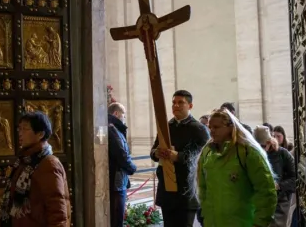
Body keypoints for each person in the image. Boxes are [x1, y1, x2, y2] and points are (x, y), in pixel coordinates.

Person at [197, 108, 277, 227]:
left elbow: (266, 191)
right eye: (210, 127)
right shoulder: (207, 153)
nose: (212, 131)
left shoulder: (248, 153)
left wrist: (260, 223)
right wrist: (205, 215)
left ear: (230, 127)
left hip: (243, 222)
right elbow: (202, 189)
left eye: (216, 127)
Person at [0, 111, 71, 227]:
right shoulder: (24, 161)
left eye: (25, 129)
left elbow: (57, 212)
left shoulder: (48, 164)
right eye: (19, 129)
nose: (20, 133)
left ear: (40, 134)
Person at [150, 90, 210, 227]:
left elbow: (204, 156)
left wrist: (179, 156)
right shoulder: (166, 127)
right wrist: (156, 153)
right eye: (173, 103)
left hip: (186, 191)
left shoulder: (199, 129)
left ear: (190, 106)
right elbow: (153, 150)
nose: (176, 106)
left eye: (180, 102)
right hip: (167, 189)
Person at [254, 125, 296, 227]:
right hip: (259, 202)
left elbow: (296, 178)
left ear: (269, 142)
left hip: (280, 201)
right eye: (257, 146)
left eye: (263, 146)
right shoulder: (252, 154)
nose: (261, 150)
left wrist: (279, 185)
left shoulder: (283, 154)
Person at [108, 102, 137, 227]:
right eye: (123, 115)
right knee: (117, 216)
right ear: (116, 113)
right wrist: (133, 168)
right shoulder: (112, 129)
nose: (124, 118)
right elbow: (122, 154)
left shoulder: (114, 128)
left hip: (118, 178)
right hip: (117, 181)